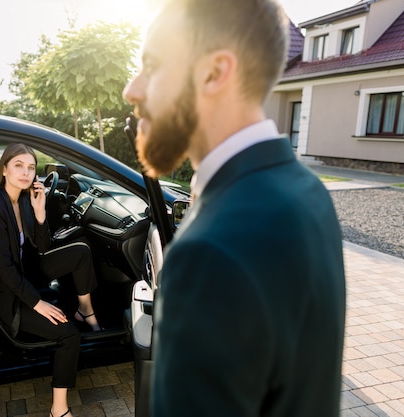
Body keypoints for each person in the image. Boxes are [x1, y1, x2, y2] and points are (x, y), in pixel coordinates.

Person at [123, 0, 346, 416]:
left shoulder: (207, 253)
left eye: (152, 66)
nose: (131, 89)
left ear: (214, 72)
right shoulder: (308, 192)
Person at [0, 143, 101, 417]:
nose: (26, 172)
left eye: (31, 167)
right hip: (8, 296)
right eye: (18, 165)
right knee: (68, 334)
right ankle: (59, 410)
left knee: (80, 251)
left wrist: (40, 211)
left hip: (25, 272)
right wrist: (37, 303)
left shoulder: (22, 200)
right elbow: (3, 270)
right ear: (5, 169)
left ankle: (85, 310)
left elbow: (42, 248)